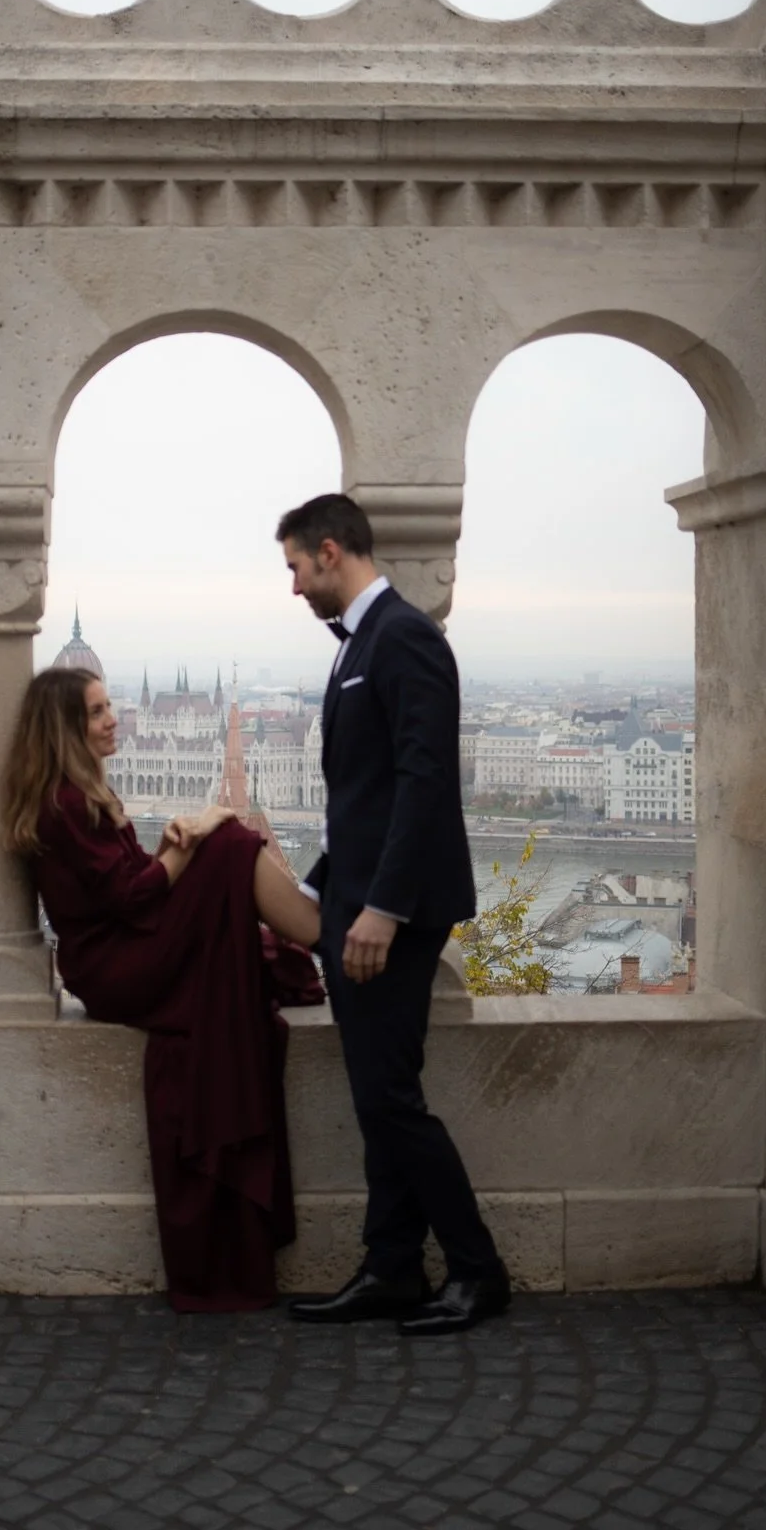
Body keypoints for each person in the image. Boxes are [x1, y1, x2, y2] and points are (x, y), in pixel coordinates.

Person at [0, 665, 323, 1314]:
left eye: (110, 706)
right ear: (66, 729)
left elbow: (128, 883)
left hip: (119, 955)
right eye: (96, 712)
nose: (114, 718)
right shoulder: (65, 804)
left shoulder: (74, 793)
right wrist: (192, 837)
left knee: (224, 840)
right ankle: (328, 937)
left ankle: (320, 928)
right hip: (117, 969)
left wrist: (172, 841)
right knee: (229, 843)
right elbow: (133, 895)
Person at [277, 492, 510, 1336]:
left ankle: (478, 1270)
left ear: (331, 552)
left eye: (297, 567)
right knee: (380, 1098)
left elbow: (421, 783)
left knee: (391, 1100)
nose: (295, 587)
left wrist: (381, 907)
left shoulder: (403, 637)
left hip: (391, 914)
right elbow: (363, 802)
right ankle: (393, 1267)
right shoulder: (360, 646)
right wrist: (316, 886)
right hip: (360, 898)